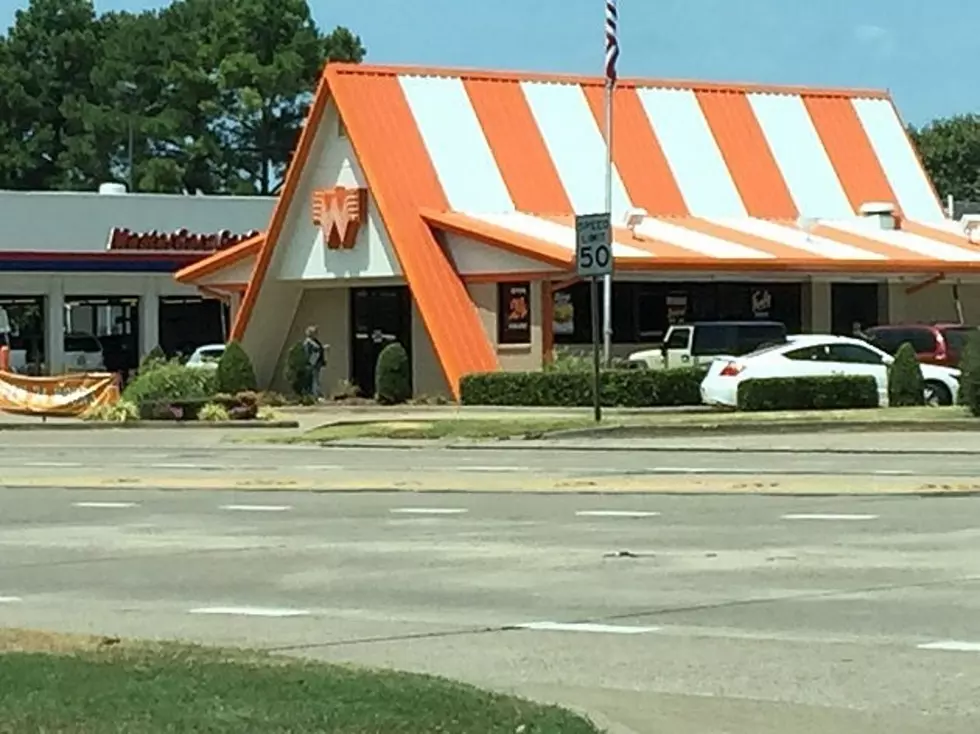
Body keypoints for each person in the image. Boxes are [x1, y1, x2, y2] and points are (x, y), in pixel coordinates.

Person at [303, 325, 327, 398]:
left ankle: (316, 394)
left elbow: (319, 349)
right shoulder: (308, 342)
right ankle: (314, 395)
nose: (316, 334)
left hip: (317, 363)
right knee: (314, 379)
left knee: (317, 378)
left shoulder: (315, 341)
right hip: (312, 363)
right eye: (315, 332)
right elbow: (311, 351)